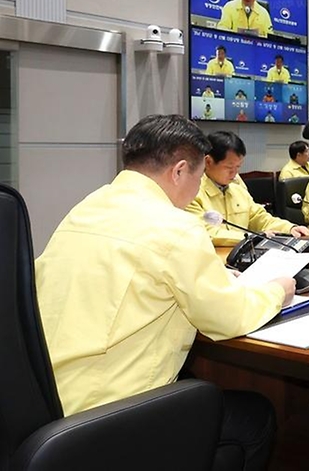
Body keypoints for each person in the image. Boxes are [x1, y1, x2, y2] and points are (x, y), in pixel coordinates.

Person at [36, 114, 293, 470]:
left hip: (46, 400)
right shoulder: (176, 226)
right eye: (199, 178)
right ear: (179, 171)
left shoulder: (86, 208)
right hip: (109, 410)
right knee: (255, 415)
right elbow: (228, 318)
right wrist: (277, 292)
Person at [186, 131, 309, 246]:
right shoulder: (190, 192)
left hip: (242, 257)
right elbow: (205, 233)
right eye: (229, 168)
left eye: (238, 167)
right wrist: (253, 237)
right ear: (208, 162)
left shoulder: (237, 189)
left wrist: (289, 228)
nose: (235, 173)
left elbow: (260, 218)